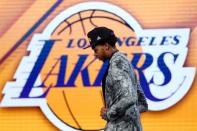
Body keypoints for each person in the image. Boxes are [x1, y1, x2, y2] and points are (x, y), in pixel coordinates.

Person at [84, 27, 148, 131]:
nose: (95, 54)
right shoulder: (125, 61)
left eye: (96, 50)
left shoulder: (116, 65)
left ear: (106, 46)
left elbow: (129, 98)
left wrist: (109, 113)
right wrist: (129, 114)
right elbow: (142, 104)